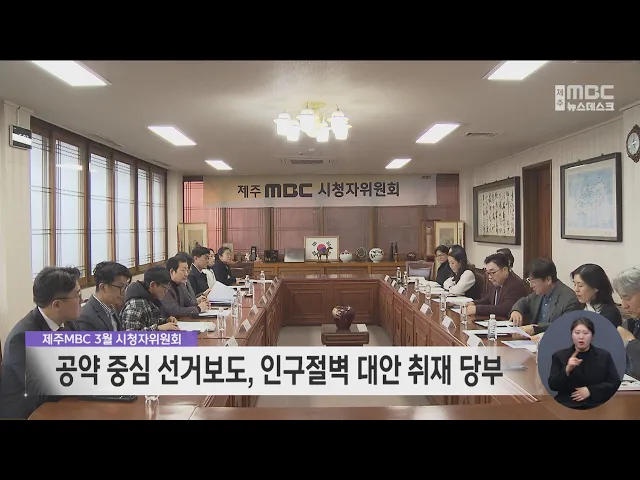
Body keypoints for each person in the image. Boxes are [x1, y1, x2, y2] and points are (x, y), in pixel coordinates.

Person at [0, 267, 82, 419]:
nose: (82, 300)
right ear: (57, 304)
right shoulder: (22, 338)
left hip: (64, 405)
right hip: (30, 413)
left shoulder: (69, 324)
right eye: (78, 295)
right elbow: (44, 392)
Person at [547, 317, 621, 409]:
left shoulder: (604, 356)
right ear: (571, 335)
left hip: (596, 404)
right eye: (577, 333)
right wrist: (567, 369)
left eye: (585, 333)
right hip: (568, 404)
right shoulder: (559, 355)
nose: (581, 337)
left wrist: (590, 391)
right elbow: (553, 385)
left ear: (592, 336)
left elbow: (614, 383)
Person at [509, 258, 582, 335]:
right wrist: (516, 311)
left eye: (533, 282)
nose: (531, 286)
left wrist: (536, 328)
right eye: (529, 281)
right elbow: (523, 302)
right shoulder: (538, 293)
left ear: (548, 280)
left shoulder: (569, 299)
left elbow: (564, 325)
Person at [73, 261, 132, 331]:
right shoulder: (86, 317)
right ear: (103, 287)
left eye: (125, 287)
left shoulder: (112, 308)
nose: (123, 292)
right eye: (121, 287)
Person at [120, 266, 181, 331]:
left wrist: (165, 321)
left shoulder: (150, 297)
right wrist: (158, 328)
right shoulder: (136, 306)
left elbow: (149, 321)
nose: (166, 292)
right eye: (164, 288)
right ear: (152, 285)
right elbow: (131, 335)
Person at [466, 253, 527, 317]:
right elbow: (488, 299)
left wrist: (477, 309)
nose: (489, 277)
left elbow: (505, 309)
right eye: (488, 273)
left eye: (493, 272)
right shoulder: (497, 282)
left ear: (505, 270)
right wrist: (473, 303)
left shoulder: (515, 285)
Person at [612, 266, 640, 378]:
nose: (624, 305)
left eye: (627, 298)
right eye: (621, 298)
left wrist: (630, 341)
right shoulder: (630, 322)